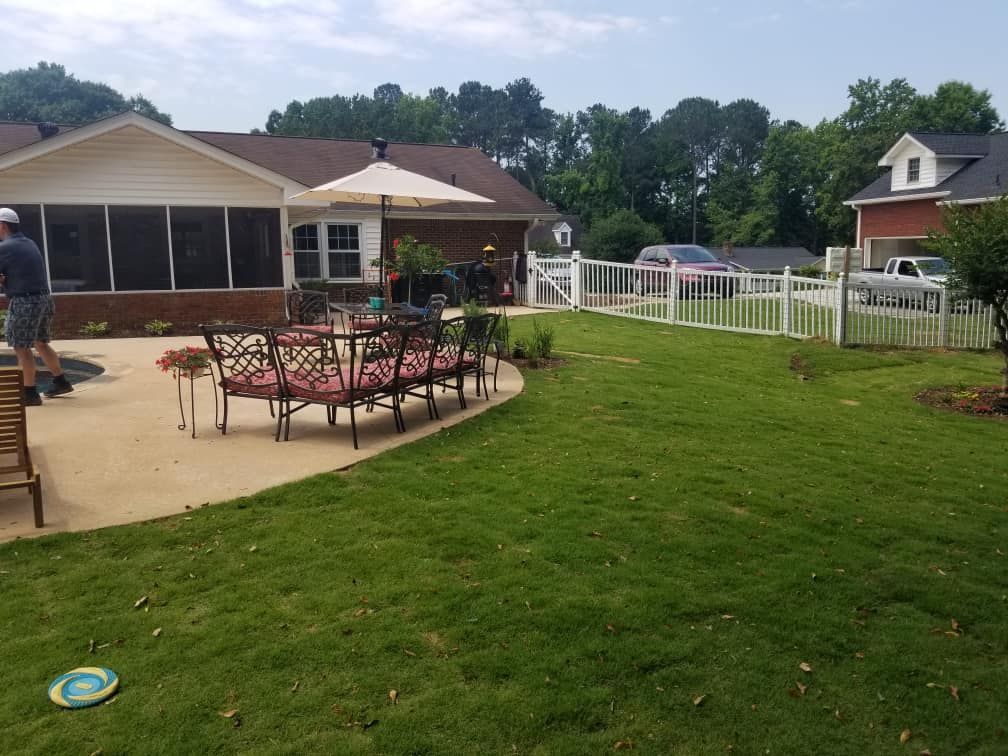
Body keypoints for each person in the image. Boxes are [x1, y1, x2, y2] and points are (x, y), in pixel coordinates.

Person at [0, 208, 72, 405]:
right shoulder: (27, 242)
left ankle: (30, 394)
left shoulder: (5, 247)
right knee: (40, 342)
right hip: (43, 299)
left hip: (24, 301)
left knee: (21, 348)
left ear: (3, 225)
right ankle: (61, 381)